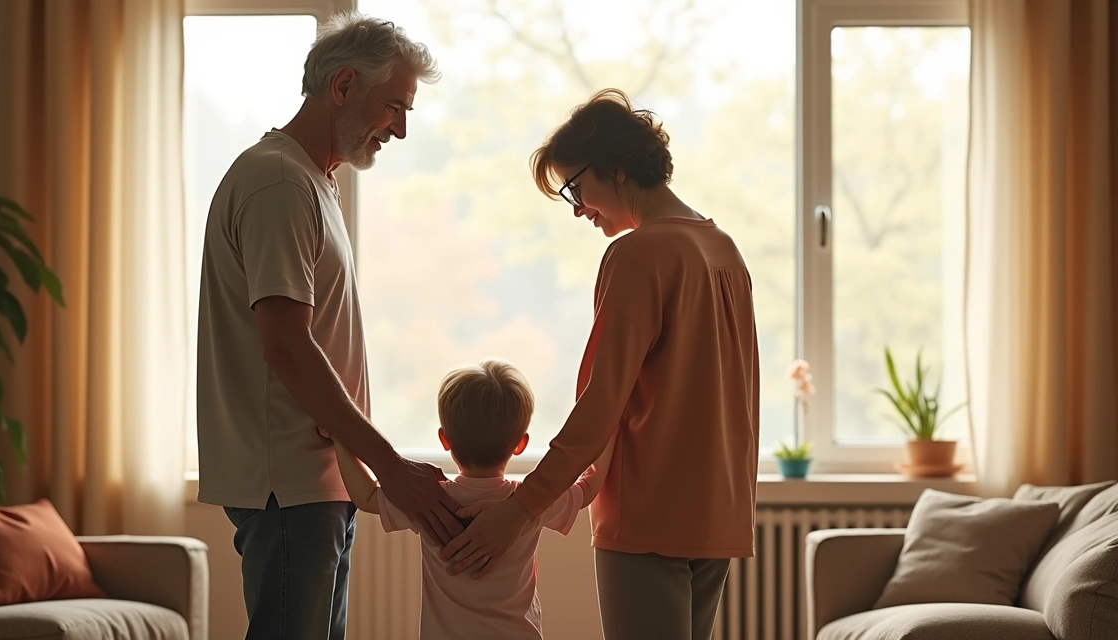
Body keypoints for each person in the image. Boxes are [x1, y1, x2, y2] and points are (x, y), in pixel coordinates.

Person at [439, 88, 762, 640]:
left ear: (615, 170)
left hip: (648, 515)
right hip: (719, 512)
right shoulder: (725, 249)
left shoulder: (638, 254)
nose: (578, 207)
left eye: (575, 187)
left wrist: (521, 511)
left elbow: (602, 403)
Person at [194, 12, 464, 640]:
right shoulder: (279, 181)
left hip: (315, 480)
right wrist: (391, 466)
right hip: (288, 483)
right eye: (394, 106)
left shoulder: (313, 181)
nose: (400, 128)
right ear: (343, 86)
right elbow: (287, 345)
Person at [324, 359, 616, 639]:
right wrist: (611, 428)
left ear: (444, 439)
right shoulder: (528, 502)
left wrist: (340, 436)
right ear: (520, 444)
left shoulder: (430, 501)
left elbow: (365, 497)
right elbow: (588, 488)